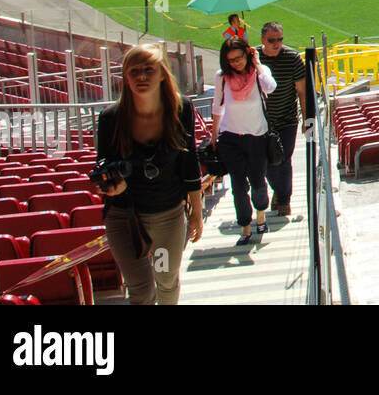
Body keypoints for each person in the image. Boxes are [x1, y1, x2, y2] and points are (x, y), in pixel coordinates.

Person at [95, 43, 202, 305]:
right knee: (141, 292)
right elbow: (103, 167)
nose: (141, 77)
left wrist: (197, 211)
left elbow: (189, 164)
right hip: (125, 218)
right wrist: (111, 186)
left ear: (163, 73)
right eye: (134, 72)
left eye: (148, 70)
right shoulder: (111, 118)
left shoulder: (181, 109)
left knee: (166, 280)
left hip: (166, 215)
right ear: (125, 77)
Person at [212, 37, 276, 246]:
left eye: (239, 58)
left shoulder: (259, 72)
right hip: (230, 137)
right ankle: (245, 227)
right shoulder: (222, 77)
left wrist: (257, 64)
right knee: (238, 186)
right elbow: (217, 105)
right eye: (231, 60)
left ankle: (261, 216)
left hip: (256, 136)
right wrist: (214, 134)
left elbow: (271, 87)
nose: (236, 63)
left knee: (258, 181)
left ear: (247, 54)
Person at [259, 22, 315, 217]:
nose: (276, 43)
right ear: (263, 40)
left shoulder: (291, 58)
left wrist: (308, 119)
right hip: (261, 123)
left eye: (280, 39)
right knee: (266, 163)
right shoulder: (255, 58)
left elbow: (302, 91)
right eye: (272, 40)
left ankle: (284, 200)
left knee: (283, 160)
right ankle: (279, 190)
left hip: (287, 119)